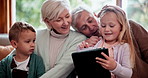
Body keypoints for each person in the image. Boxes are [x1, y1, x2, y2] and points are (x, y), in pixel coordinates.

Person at [72, 5, 148, 78]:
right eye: (84, 27)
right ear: (80, 32)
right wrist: (82, 47)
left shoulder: (130, 27)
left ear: (96, 15)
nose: (91, 27)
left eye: (90, 20)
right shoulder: (94, 44)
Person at [34, 0, 86, 78]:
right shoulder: (37, 36)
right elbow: (16, 54)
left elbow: (62, 69)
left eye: (67, 16)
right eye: (59, 20)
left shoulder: (79, 39)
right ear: (47, 22)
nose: (65, 23)